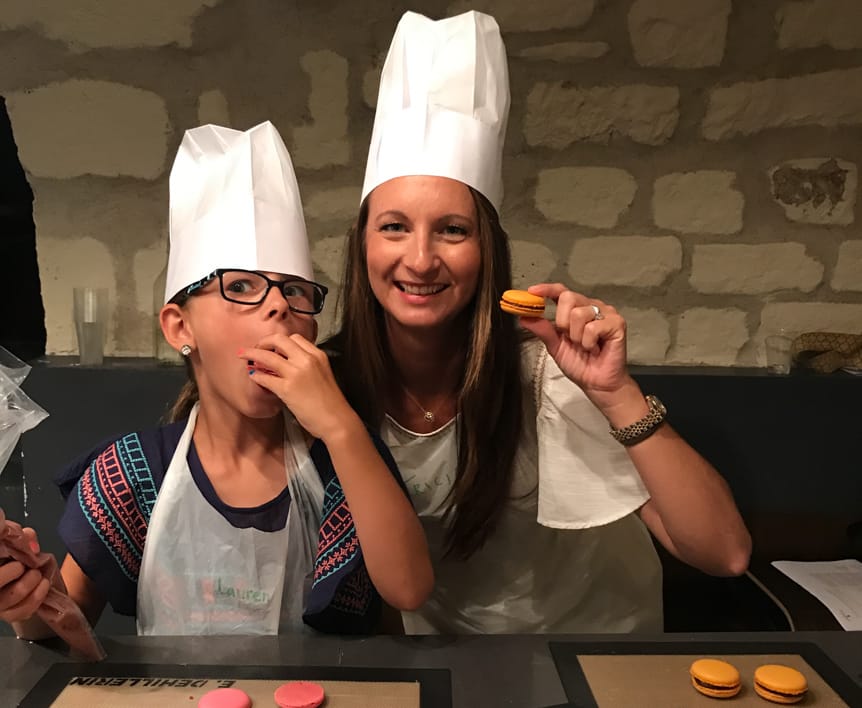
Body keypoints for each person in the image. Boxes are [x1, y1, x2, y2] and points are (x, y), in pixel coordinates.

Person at [326, 11, 751, 634]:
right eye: (394, 226)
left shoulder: (545, 372)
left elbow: (725, 553)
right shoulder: (335, 386)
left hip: (602, 656)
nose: (420, 259)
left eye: (452, 229)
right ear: (363, 244)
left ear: (486, 249)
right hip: (455, 668)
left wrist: (615, 392)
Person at [0, 121, 432, 640]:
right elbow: (56, 628)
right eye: (243, 286)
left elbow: (407, 591)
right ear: (180, 327)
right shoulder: (133, 477)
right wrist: (27, 598)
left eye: (296, 292)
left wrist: (340, 426)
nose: (278, 304)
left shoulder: (347, 464)